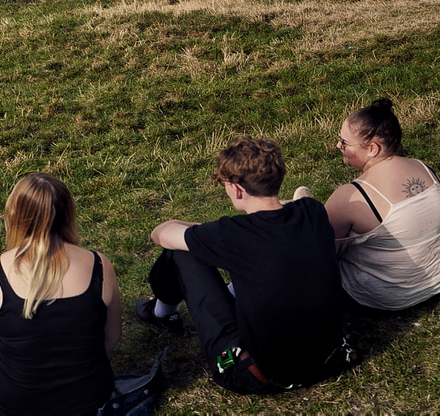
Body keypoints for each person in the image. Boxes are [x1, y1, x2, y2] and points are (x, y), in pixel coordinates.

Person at [138, 136, 344, 394]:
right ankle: (168, 309)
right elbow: (293, 205)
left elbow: (160, 233)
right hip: (328, 359)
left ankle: (162, 312)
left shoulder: (231, 234)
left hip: (255, 374)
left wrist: (205, 233)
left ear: (237, 189)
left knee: (181, 253)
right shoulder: (313, 211)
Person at [0, 174, 118, 416]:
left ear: (13, 215)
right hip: (88, 397)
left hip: (9, 404)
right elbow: (112, 336)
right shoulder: (99, 265)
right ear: (68, 214)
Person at [319, 98, 440, 311]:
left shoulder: (353, 196)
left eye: (344, 142)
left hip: (391, 295)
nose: (338, 146)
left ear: (372, 149)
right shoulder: (423, 168)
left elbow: (323, 252)